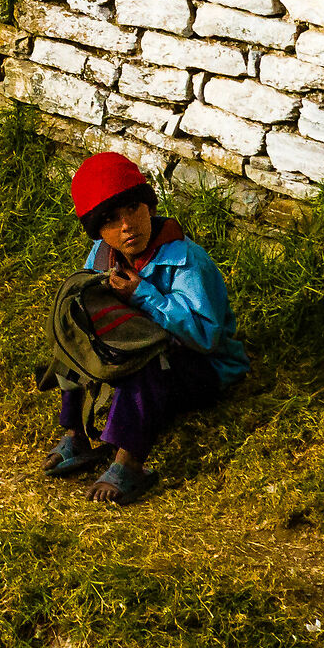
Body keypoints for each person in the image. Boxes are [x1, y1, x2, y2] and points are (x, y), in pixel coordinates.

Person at [44, 151, 249, 505]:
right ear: (98, 231)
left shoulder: (187, 260)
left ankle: (129, 462)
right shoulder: (100, 256)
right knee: (75, 336)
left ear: (149, 207)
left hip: (203, 365)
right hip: (141, 350)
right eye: (110, 220)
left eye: (133, 209)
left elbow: (206, 336)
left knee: (148, 360)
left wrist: (142, 293)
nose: (126, 225)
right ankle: (76, 435)